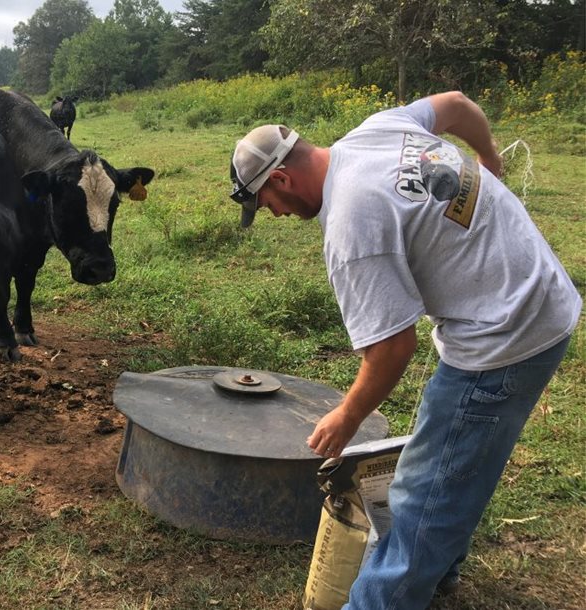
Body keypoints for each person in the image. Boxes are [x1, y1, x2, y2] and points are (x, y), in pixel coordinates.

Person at [228, 91, 581, 609]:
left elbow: (393, 349)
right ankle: (440, 573)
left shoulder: (351, 225)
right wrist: (488, 157)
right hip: (540, 295)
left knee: (423, 493)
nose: (276, 214)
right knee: (452, 458)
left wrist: (347, 417)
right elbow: (457, 105)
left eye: (268, 204)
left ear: (280, 179)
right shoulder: (378, 129)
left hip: (505, 335)